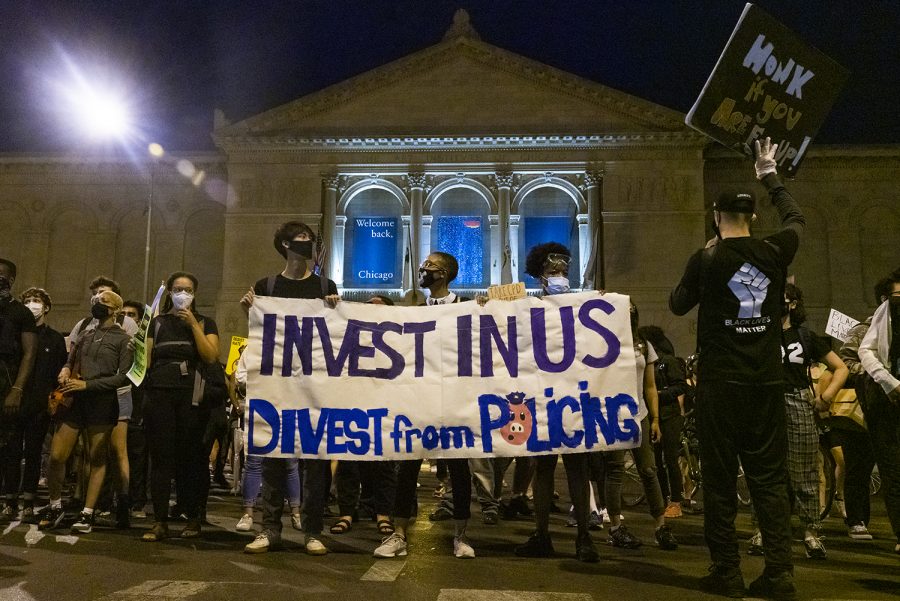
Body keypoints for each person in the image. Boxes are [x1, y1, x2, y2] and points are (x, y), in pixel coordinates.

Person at [670, 138, 805, 600]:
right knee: (769, 479)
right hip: (766, 382)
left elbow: (677, 303)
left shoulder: (707, 258)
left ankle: (726, 570)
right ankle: (780, 574)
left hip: (720, 384)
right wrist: (769, 175)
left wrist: (704, 263)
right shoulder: (774, 253)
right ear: (753, 219)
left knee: (721, 479)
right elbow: (796, 220)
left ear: (715, 216)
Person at [240, 220, 339, 556]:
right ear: (284, 245)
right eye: (301, 239)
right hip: (276, 385)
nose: (307, 244)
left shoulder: (325, 285)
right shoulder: (266, 285)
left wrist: (339, 312)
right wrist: (248, 313)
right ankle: (270, 528)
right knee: (272, 458)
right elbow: (259, 335)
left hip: (314, 385)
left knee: (314, 461)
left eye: (310, 239)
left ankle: (312, 530)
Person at [374, 252, 477, 560]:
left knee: (460, 470)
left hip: (456, 402)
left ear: (444, 273)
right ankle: (399, 533)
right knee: (407, 467)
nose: (423, 269)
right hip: (420, 401)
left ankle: (461, 535)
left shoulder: (467, 306)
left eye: (430, 266)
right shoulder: (415, 311)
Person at [746, 283, 848, 560]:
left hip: (796, 401)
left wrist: (826, 397)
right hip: (764, 404)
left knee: (805, 472)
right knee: (764, 470)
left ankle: (811, 532)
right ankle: (761, 529)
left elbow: (841, 368)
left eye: (781, 298)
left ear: (792, 304)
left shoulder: (805, 336)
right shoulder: (758, 336)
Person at [512, 243, 598, 563]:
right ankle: (543, 534)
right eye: (553, 272)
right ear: (540, 276)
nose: (560, 277)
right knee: (543, 467)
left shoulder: (583, 305)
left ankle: (583, 537)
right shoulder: (526, 305)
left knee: (577, 466)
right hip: (541, 394)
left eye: (564, 272)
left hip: (574, 395)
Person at [38, 290, 133, 533]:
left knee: (96, 458)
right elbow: (71, 359)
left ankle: (87, 512)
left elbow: (123, 377)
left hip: (101, 402)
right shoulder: (85, 334)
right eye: (96, 301)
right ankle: (55, 504)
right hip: (75, 400)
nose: (97, 305)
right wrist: (66, 370)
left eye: (104, 302)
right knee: (58, 454)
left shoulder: (123, 340)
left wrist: (88, 385)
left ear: (116, 310)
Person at [141, 272, 220, 541]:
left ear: (195, 294)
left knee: (192, 459)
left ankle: (193, 518)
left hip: (192, 397)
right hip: (161, 395)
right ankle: (160, 521)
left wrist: (194, 326)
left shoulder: (206, 322)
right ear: (169, 292)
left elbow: (210, 356)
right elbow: (146, 359)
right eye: (177, 289)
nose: (182, 294)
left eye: (187, 290)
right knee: (161, 459)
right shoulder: (157, 323)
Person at [65, 276, 138, 528]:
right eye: (95, 293)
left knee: (118, 451)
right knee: (88, 452)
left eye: (104, 293)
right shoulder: (84, 324)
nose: (98, 297)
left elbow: (130, 362)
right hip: (86, 396)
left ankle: (123, 502)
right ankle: (89, 503)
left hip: (117, 395)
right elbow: (72, 353)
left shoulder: (127, 323)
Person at [834, 276, 898, 541]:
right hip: (864, 407)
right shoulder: (863, 330)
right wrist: (873, 374)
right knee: (858, 464)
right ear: (885, 300)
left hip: (888, 401)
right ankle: (857, 518)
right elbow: (845, 360)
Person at [330, 295, 397, 537]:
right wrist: (332, 306)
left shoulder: (399, 340)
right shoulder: (353, 336)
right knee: (348, 461)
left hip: (385, 406)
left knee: (385, 465)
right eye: (367, 307)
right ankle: (346, 513)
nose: (371, 310)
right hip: (354, 404)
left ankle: (383, 514)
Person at [857, 268, 900, 556]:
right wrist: (889, 383)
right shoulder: (886, 313)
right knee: (893, 470)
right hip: (888, 401)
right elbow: (865, 350)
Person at [0, 275, 41, 522]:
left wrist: (16, 389)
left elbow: (29, 353)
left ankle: (10, 497)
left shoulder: (20, 313)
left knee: (8, 445)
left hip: (5, 380)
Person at [639, 325, 688, 518]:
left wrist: (658, 395)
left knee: (670, 460)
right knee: (656, 462)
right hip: (653, 417)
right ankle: (663, 498)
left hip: (669, 416)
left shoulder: (668, 361)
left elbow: (680, 386)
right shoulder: (648, 362)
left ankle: (676, 501)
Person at [121, 301, 149, 518]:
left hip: (138, 405)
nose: (127, 317)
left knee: (137, 455)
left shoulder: (145, 343)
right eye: (124, 314)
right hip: (117, 402)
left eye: (132, 314)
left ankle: (137, 501)